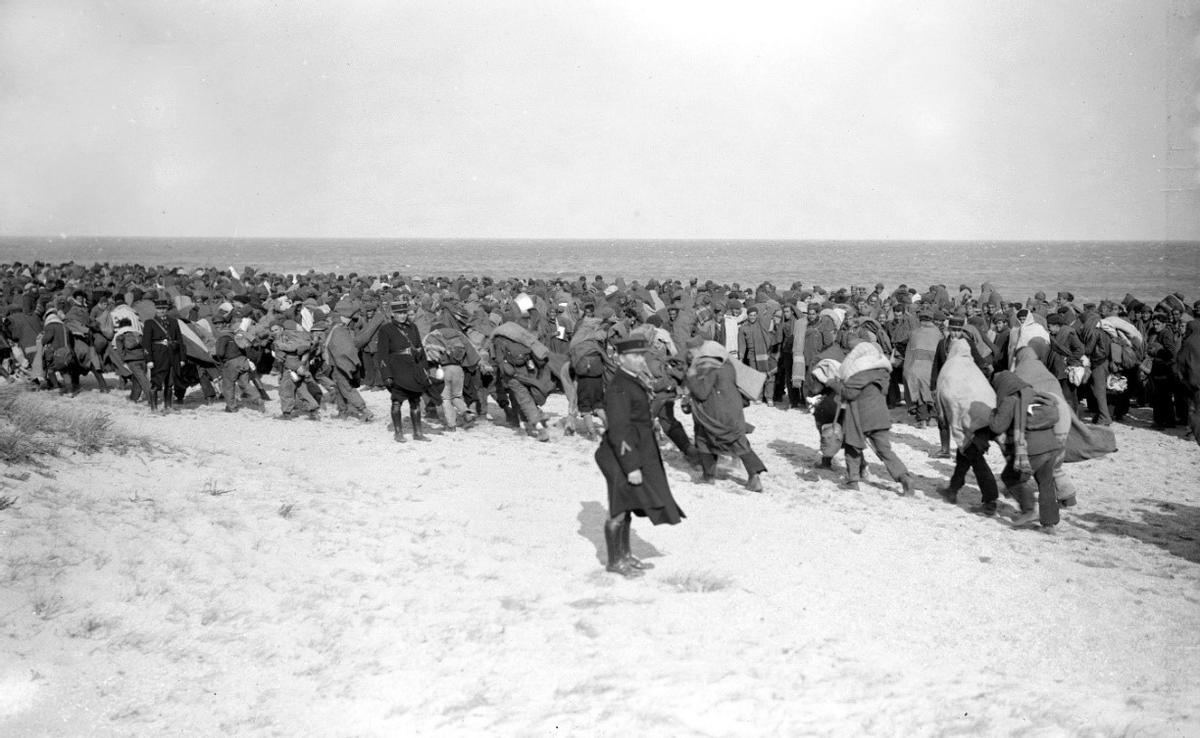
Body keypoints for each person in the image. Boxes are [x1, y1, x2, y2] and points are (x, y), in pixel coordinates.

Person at [594, 336, 684, 578]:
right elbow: (619, 429)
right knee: (618, 508)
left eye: (641, 356)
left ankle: (625, 555)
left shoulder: (633, 380)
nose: (639, 360)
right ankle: (615, 561)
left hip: (631, 451)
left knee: (628, 506)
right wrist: (631, 466)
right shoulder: (620, 386)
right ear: (621, 358)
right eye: (634, 356)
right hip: (618, 456)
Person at [828, 341, 916, 495]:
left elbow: (850, 393)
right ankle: (904, 477)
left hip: (859, 417)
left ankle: (853, 481)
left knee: (852, 447)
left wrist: (834, 385)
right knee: (885, 451)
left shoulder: (859, 374)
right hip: (880, 417)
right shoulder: (883, 373)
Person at [685, 340, 768, 492]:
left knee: (703, 440)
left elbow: (702, 393)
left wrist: (691, 377)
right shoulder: (728, 365)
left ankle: (708, 476)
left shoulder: (710, 368)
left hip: (716, 415)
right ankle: (754, 477)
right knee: (739, 442)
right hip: (733, 412)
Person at [989, 371, 1062, 529]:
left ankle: (1028, 510)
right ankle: (1049, 523)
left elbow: (997, 426)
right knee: (1045, 481)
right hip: (1051, 445)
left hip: (1033, 449)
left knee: (1010, 478)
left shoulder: (1010, 399)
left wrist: (992, 413)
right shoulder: (1033, 393)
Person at [377, 297, 432, 442]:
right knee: (397, 402)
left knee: (415, 401)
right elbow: (382, 355)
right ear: (392, 314)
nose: (402, 316)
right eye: (399, 313)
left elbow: (420, 347)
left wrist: (424, 368)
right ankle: (398, 433)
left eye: (404, 313)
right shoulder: (385, 329)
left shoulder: (412, 328)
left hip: (413, 370)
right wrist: (386, 375)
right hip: (396, 371)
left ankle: (418, 433)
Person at [142, 299, 184, 413]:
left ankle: (168, 407)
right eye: (160, 309)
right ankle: (154, 408)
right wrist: (149, 360)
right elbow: (146, 343)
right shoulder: (149, 323)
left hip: (173, 356)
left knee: (170, 383)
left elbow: (180, 340)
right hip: (158, 356)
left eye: (164, 308)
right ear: (156, 309)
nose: (162, 311)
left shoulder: (174, 322)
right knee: (156, 383)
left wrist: (182, 358)